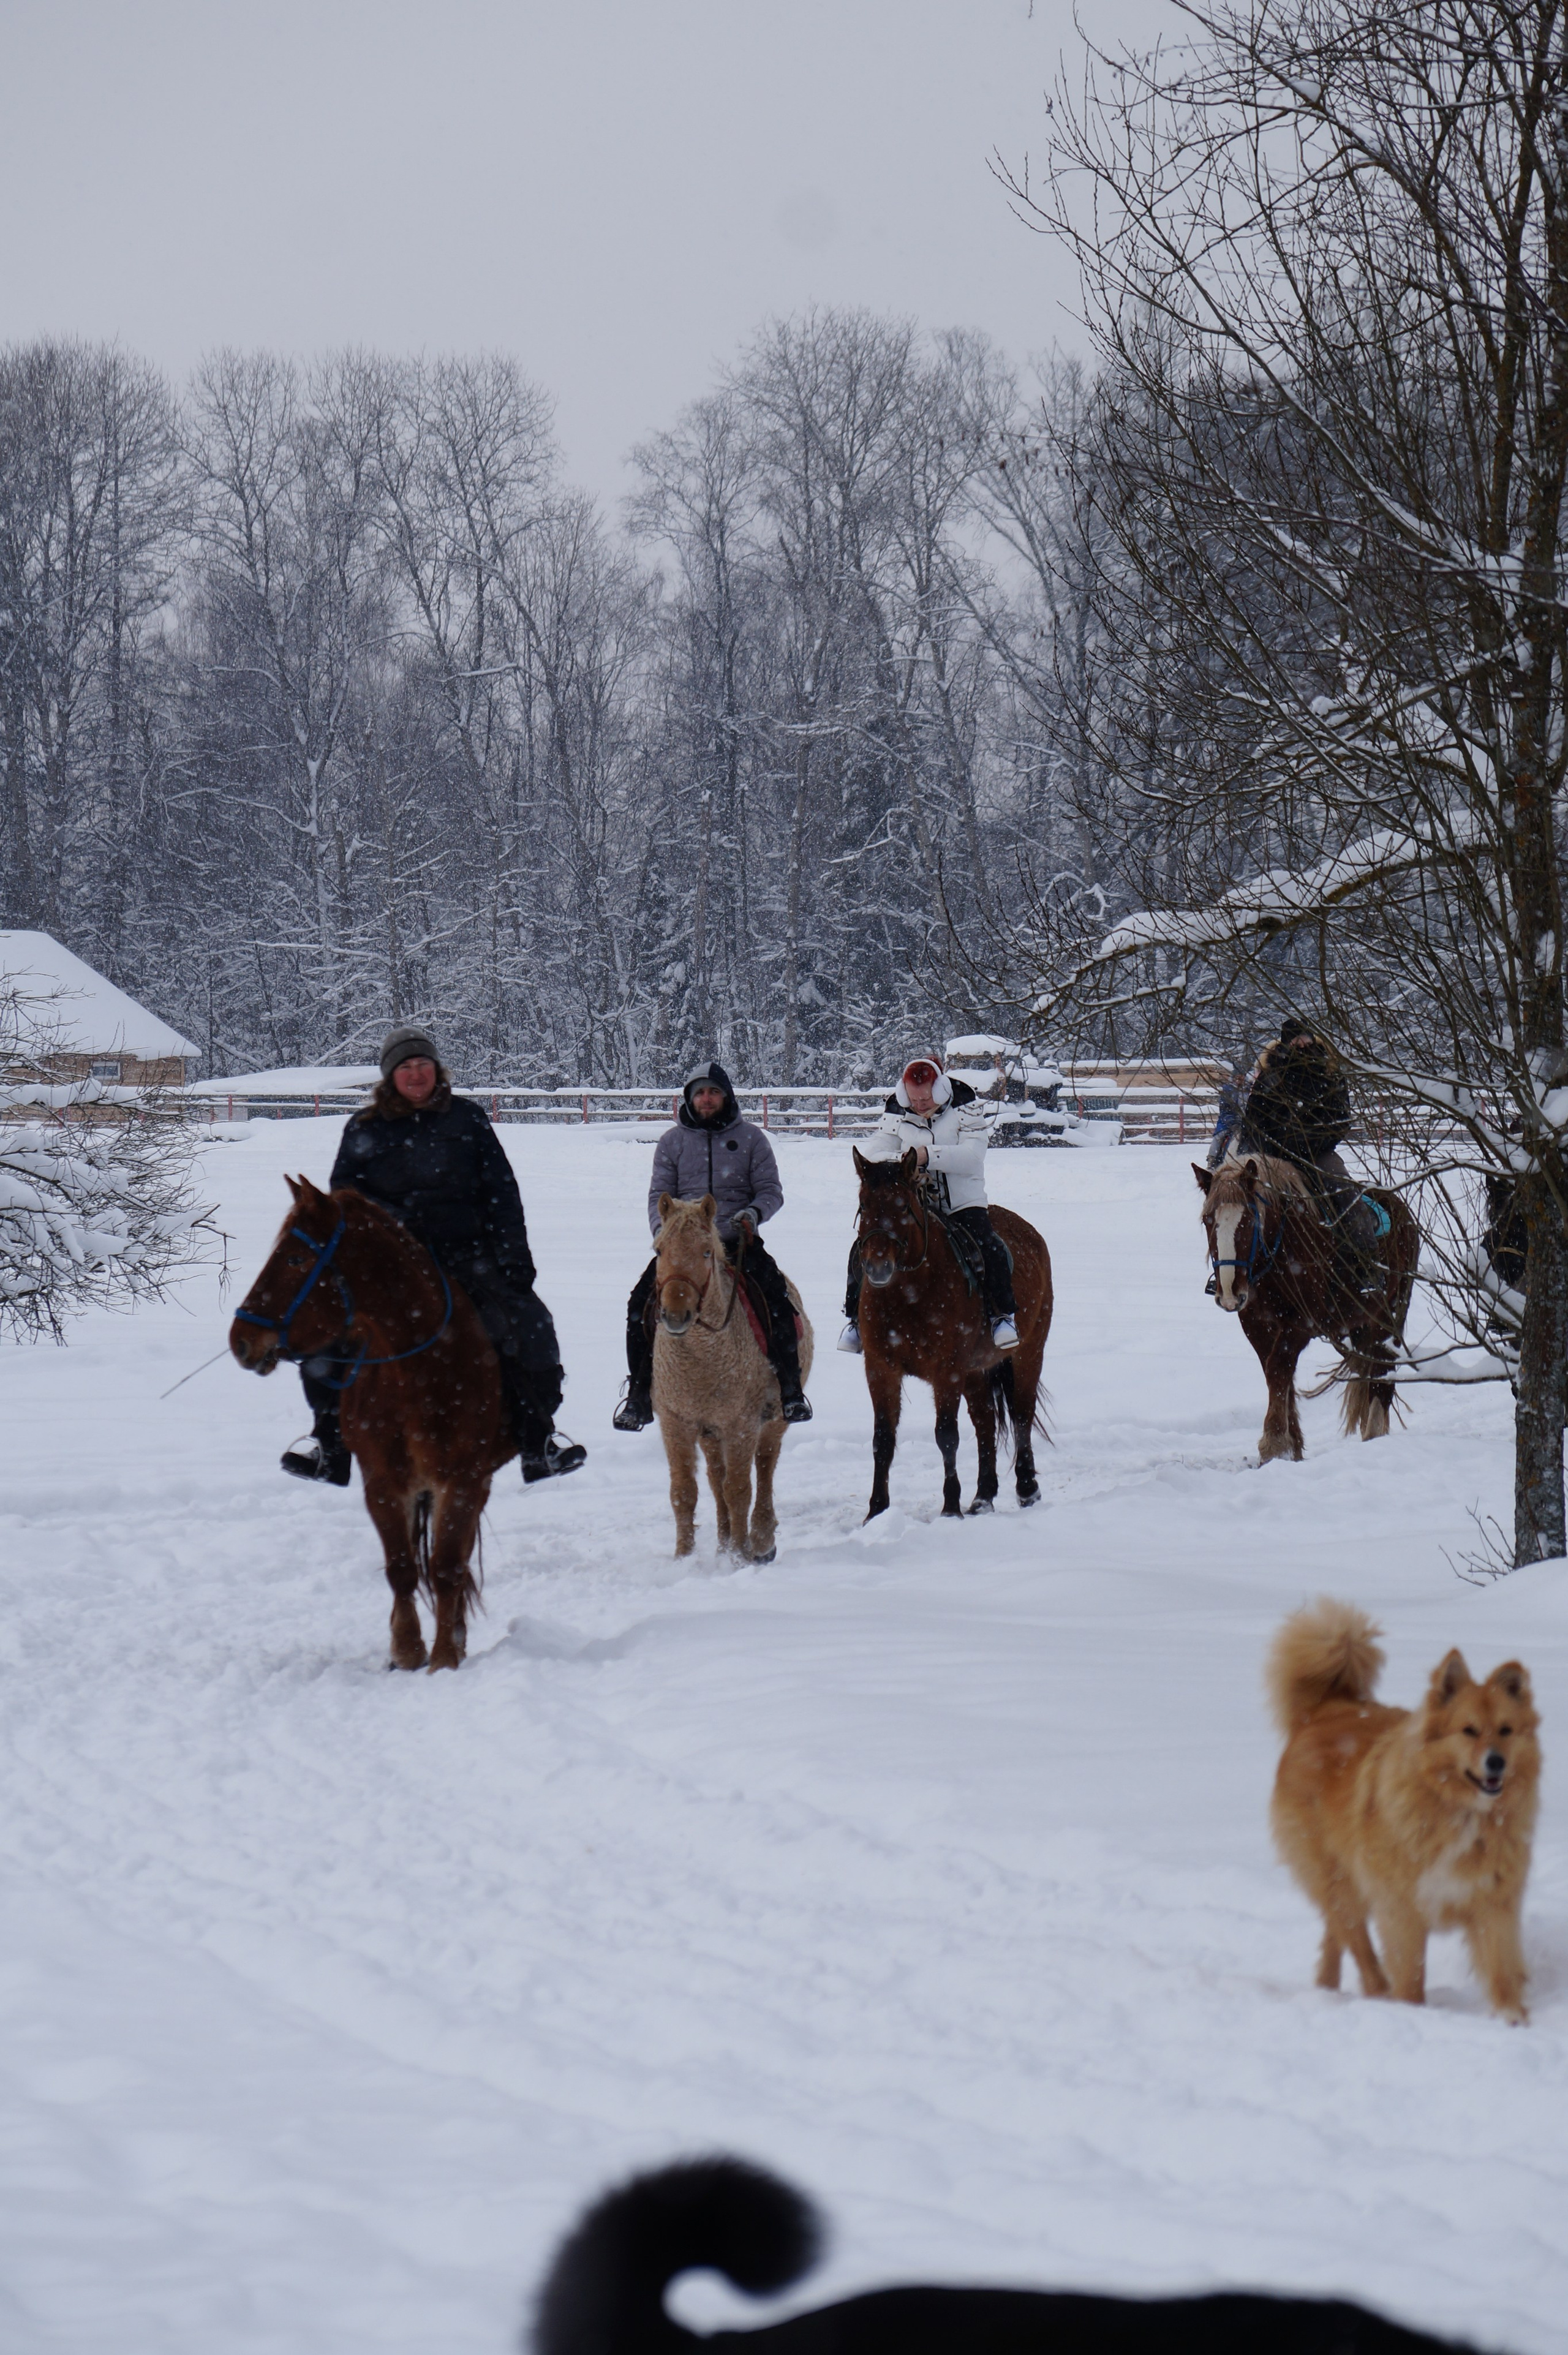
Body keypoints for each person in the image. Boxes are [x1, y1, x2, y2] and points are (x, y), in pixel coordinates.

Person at [281, 1026, 586, 1487]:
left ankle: (537, 1439)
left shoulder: (467, 1120)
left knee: (528, 1326)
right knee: (327, 1333)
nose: (416, 1073)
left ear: (437, 1069)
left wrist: (514, 1261)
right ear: (390, 1076)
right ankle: (329, 1443)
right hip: (389, 1269)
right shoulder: (363, 1129)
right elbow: (344, 1203)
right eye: (405, 1066)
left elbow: (502, 1194)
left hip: (469, 1259)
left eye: (423, 1064)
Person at [612, 1061, 811, 1431]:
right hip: (684, 1247)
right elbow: (660, 1195)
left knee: (776, 1299)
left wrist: (753, 1213)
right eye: (700, 1092)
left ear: (726, 1097)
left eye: (714, 1092)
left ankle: (789, 1390)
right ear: (689, 1098)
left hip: (738, 1243)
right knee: (640, 1304)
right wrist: (666, 1235)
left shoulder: (752, 1139)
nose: (707, 1099)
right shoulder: (672, 1142)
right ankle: (639, 1397)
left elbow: (771, 1191)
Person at [839, 1053, 1019, 1352]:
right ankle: (855, 1320)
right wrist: (904, 1162)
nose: (919, 1105)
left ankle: (1002, 1315)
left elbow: (973, 1156)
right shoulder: (897, 1112)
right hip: (916, 1204)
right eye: (914, 1099)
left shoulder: (967, 1109)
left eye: (925, 1099)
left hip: (962, 1201)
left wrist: (926, 1155)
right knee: (866, 1246)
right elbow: (878, 1149)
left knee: (989, 1247)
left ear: (939, 1090)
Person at [1238, 1017, 1378, 1284]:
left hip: (1319, 1154)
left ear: (1312, 1039)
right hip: (1276, 1157)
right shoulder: (1271, 1076)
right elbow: (1254, 1121)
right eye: (1294, 1039)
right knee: (1240, 1201)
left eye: (1304, 1037)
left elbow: (1341, 1118)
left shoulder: (1329, 1072)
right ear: (1285, 1042)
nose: (1300, 1044)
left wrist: (1313, 1143)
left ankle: (1365, 1263)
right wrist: (1268, 1148)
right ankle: (1235, 1269)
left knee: (1344, 1193)